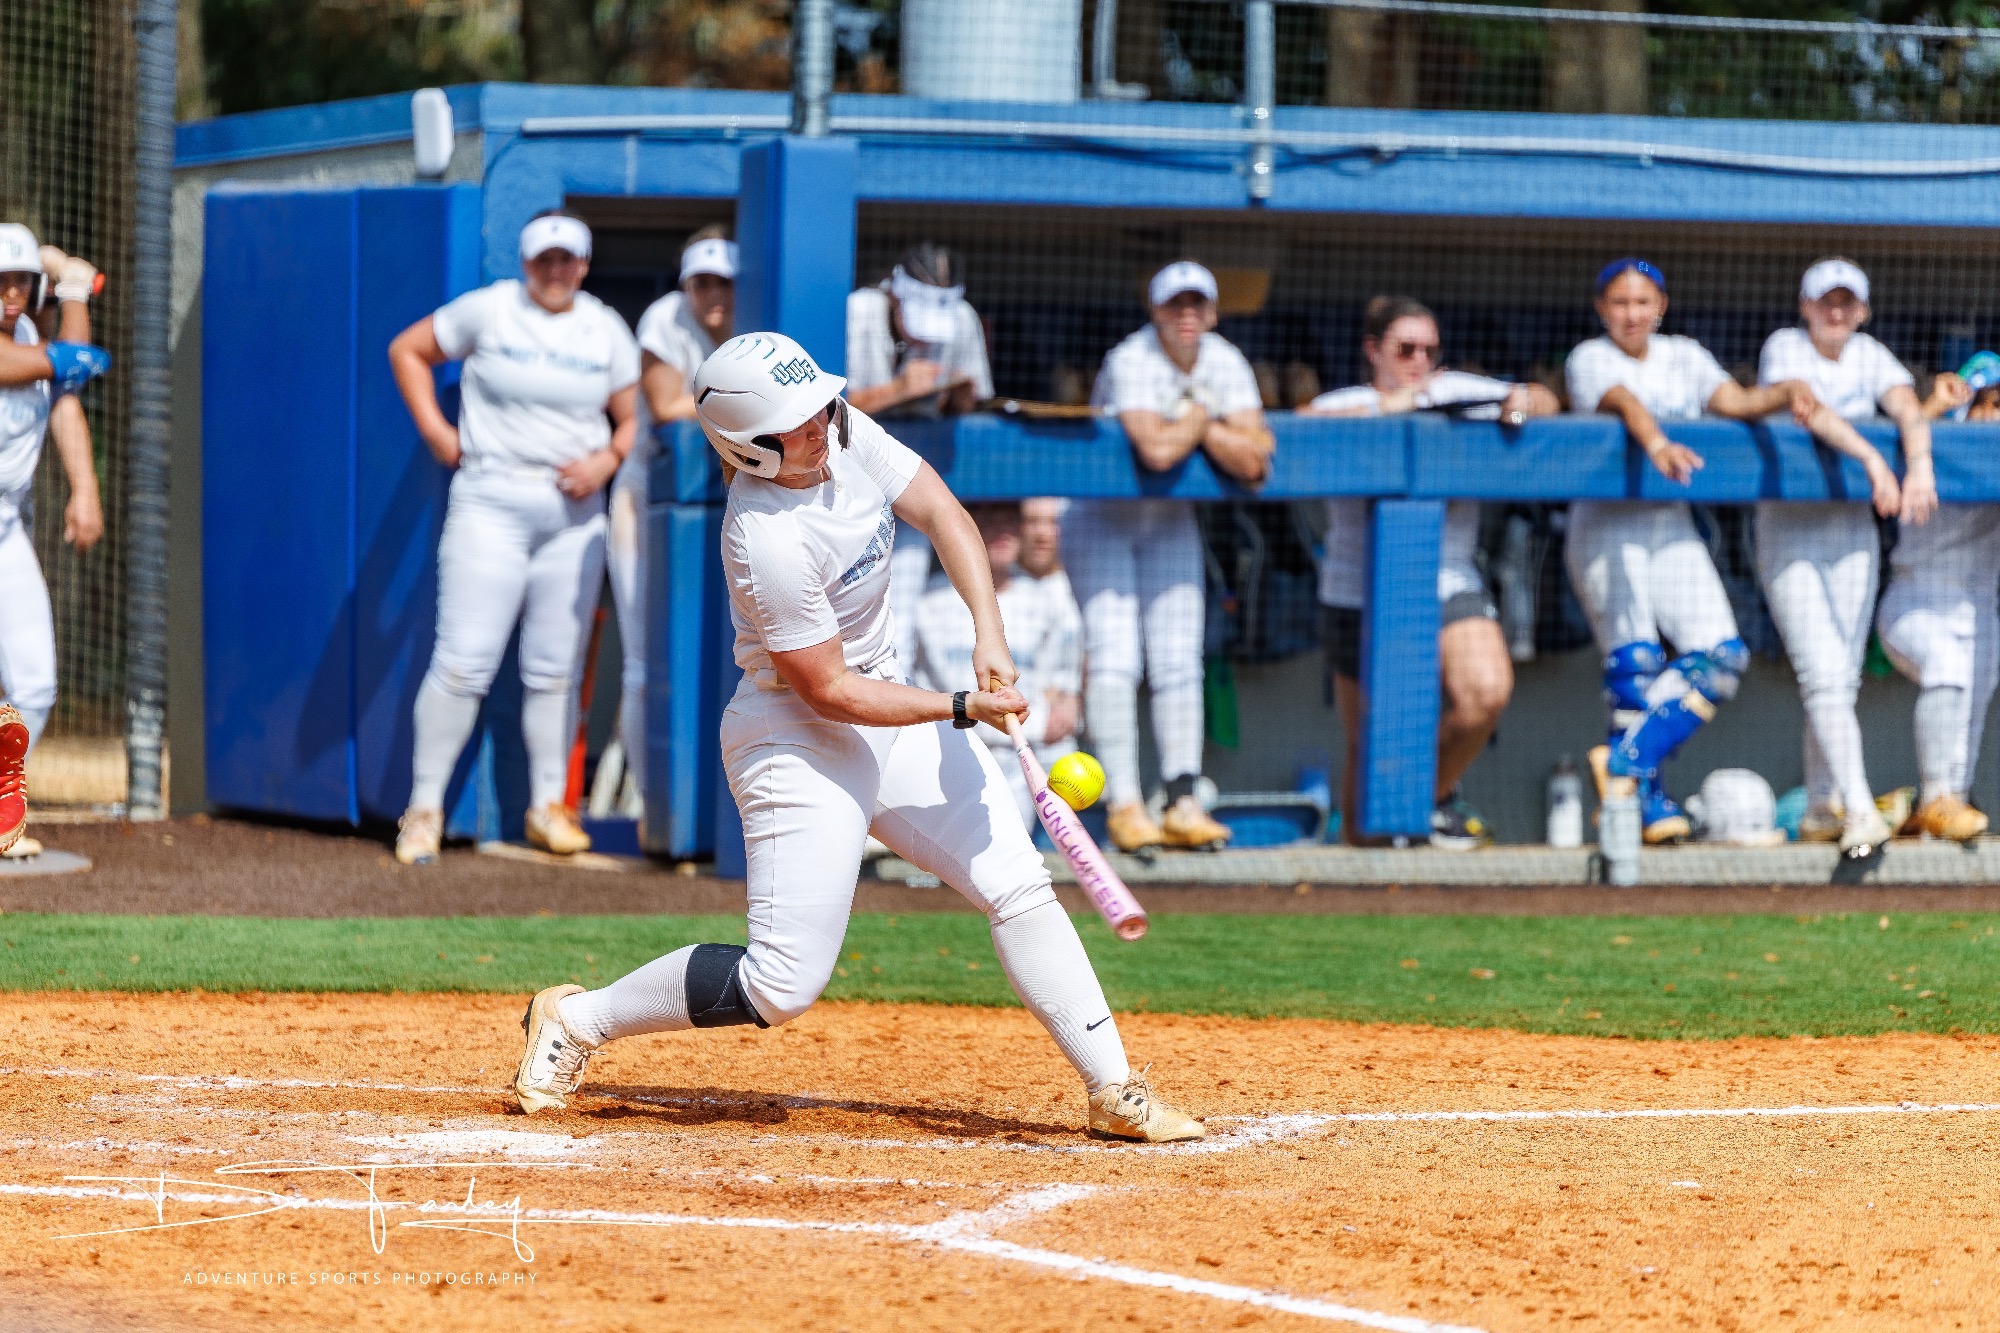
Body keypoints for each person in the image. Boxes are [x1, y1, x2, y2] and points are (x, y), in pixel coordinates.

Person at [510, 332, 1202, 1144]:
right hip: (796, 740)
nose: (819, 424)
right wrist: (958, 706)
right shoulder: (765, 535)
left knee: (1017, 882)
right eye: (795, 420)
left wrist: (989, 633)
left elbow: (942, 511)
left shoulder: (841, 430)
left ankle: (1113, 1089)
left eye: (818, 406)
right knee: (780, 985)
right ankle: (577, 1018)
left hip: (892, 707)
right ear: (748, 447)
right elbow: (829, 690)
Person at [387, 212, 639, 864]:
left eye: (568, 259)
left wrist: (607, 460)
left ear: (584, 264)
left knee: (555, 669)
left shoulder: (605, 327)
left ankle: (549, 806)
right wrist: (438, 433)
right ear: (526, 263)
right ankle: (423, 811)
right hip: (491, 501)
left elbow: (631, 416)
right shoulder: (491, 308)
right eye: (544, 259)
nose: (556, 270)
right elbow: (407, 349)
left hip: (574, 515)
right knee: (463, 660)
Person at [1564, 257, 1822, 845]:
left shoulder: (1683, 354)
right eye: (1620, 302)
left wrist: (1785, 392)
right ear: (1602, 308)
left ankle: (1624, 763)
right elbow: (1621, 398)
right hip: (1606, 524)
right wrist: (1656, 441)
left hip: (1668, 523)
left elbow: (1734, 402)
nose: (1632, 313)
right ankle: (1644, 803)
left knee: (1722, 656)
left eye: (1643, 301)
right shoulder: (1589, 356)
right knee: (1634, 664)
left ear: (1661, 305)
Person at [1300, 295, 1558, 848]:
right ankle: (1365, 875)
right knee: (1368, 745)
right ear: (1373, 350)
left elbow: (1543, 399)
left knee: (1485, 692)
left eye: (1429, 350)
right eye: (1406, 349)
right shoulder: (1347, 402)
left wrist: (1518, 405)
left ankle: (1428, 801)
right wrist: (1393, 408)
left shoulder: (1454, 389)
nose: (1419, 360)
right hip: (1356, 591)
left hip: (1447, 580)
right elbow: (1298, 429)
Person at [1071, 260, 1272, 853]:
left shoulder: (1225, 360)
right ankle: (1125, 805)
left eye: (1197, 303)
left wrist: (1197, 425)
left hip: (1168, 519)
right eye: (1174, 304)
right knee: (1116, 657)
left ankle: (1183, 801)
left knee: (1180, 658)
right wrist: (1207, 418)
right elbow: (1156, 451)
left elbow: (1256, 460)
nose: (1187, 314)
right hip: (1101, 515)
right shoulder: (1132, 357)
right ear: (1155, 311)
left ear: (1212, 312)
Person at [1753, 258, 1933, 857]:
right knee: (1823, 673)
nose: (1836, 312)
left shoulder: (1869, 353)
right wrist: (1875, 460)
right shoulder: (1785, 347)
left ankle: (1820, 806)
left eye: (1846, 302)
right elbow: (1809, 409)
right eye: (1825, 301)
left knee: (1842, 677)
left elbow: (1907, 407)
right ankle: (1859, 810)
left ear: (1863, 310)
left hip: (1850, 531)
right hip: (1789, 529)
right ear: (1805, 307)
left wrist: (1919, 465)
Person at [605, 227, 736, 813]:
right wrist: (744, 399)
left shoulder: (757, 317)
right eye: (702, 283)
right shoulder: (664, 318)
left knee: (726, 656)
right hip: (647, 499)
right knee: (644, 659)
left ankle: (707, 804)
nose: (715, 295)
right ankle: (654, 802)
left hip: (728, 500)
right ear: (686, 284)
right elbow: (663, 407)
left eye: (724, 282)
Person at [0, 224, 108, 861]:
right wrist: (71, 286)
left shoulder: (28, 340)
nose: (11, 293)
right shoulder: (24, 353)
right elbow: (70, 360)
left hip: (5, 528)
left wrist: (85, 488)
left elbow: (65, 394)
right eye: (0, 282)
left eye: (20, 282)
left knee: (35, 685)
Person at [846, 243, 996, 676]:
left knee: (901, 616)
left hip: (910, 479)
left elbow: (971, 405)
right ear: (895, 295)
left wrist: (961, 395)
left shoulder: (962, 318)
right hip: (845, 481)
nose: (923, 338)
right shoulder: (859, 311)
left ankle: (897, 705)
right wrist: (898, 390)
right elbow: (820, 412)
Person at [1874, 345, 2000, 844]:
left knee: (1973, 706)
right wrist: (1934, 407)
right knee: (1946, 665)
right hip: (1914, 602)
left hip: (1980, 609)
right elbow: (1906, 435)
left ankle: (1949, 806)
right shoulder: (1931, 443)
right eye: (1984, 403)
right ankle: (1934, 797)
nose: (1992, 415)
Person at [911, 501, 1082, 828]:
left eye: (1010, 521)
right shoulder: (927, 599)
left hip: (1019, 754)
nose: (1002, 532)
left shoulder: (1046, 600)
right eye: (989, 520)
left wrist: (1063, 706)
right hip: (948, 751)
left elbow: (1059, 689)